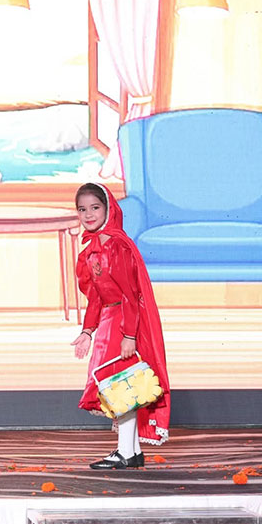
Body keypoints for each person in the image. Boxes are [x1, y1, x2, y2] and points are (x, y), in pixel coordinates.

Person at [71, 182, 170, 470]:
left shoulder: (117, 245)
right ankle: (132, 450)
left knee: (121, 385)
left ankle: (125, 452)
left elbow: (130, 293)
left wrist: (129, 335)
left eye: (95, 207)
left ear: (108, 209)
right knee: (120, 383)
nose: (89, 214)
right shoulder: (92, 251)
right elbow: (96, 298)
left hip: (123, 321)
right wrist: (87, 331)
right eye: (82, 209)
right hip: (108, 321)